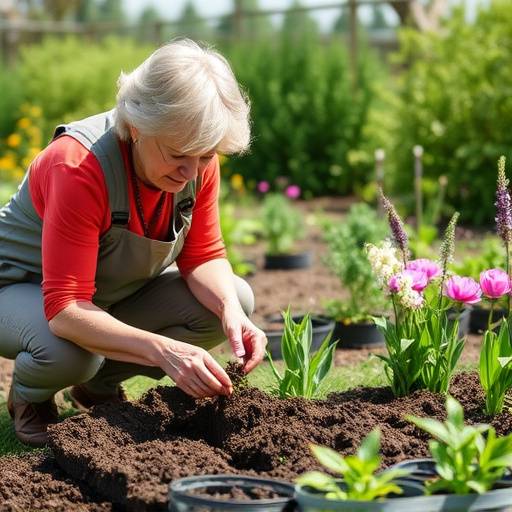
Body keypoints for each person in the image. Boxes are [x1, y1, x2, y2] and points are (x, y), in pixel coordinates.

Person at [0, 39, 267, 447]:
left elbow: (204, 256)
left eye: (205, 155)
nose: (191, 171)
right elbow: (66, 308)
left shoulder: (195, 161)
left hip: (96, 297)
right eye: (179, 154)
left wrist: (230, 311)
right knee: (70, 351)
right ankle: (29, 397)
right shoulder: (78, 166)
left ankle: (95, 387)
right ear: (138, 126)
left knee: (236, 297)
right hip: (20, 288)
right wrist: (165, 351)